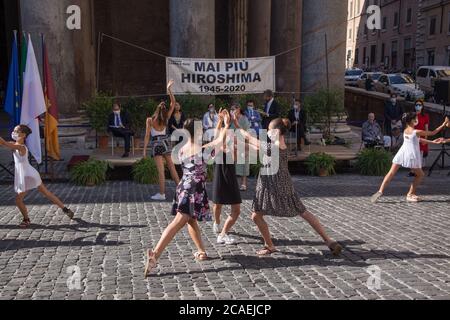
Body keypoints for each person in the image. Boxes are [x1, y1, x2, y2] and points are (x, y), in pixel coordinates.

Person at [237, 119, 343, 257]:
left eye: (269, 129)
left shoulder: (273, 147)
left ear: (276, 131)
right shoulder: (280, 144)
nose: (267, 132)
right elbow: (254, 145)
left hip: (273, 186)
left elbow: (250, 138)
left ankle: (270, 246)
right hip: (283, 184)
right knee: (303, 212)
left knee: (256, 216)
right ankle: (329, 241)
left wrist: (236, 126)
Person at [144, 112, 232, 278]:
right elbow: (219, 142)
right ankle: (155, 255)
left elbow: (214, 141)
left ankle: (201, 251)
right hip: (193, 189)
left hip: (183, 186)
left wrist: (220, 123)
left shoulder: (182, 148)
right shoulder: (203, 151)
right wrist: (226, 125)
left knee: (191, 220)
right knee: (177, 223)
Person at [0, 125, 75, 228]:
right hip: (30, 173)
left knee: (18, 200)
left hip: (27, 176)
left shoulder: (21, 147)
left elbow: (4, 143)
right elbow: (3, 143)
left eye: (16, 131)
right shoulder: (15, 144)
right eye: (14, 130)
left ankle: (26, 220)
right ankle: (65, 209)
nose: (13, 132)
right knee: (47, 193)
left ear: (23, 135)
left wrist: (3, 142)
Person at [371, 113, 449, 204]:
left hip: (402, 153)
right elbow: (433, 132)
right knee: (420, 175)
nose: (417, 120)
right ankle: (410, 194)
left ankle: (380, 191)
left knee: (391, 173)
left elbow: (418, 139)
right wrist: (443, 124)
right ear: (412, 120)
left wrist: (432, 142)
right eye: (416, 118)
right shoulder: (417, 131)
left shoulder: (405, 130)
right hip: (411, 156)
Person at [143, 80, 180, 201]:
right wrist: (169, 90)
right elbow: (173, 102)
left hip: (156, 144)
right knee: (172, 167)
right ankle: (182, 191)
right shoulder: (166, 118)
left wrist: (144, 150)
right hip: (166, 142)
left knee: (161, 171)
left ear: (156, 109)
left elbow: (147, 136)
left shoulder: (150, 120)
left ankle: (162, 194)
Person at [212, 106, 243, 246]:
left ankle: (223, 231)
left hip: (229, 172)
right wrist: (221, 122)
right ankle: (217, 223)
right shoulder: (219, 135)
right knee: (217, 203)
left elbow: (236, 156)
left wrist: (233, 148)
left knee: (235, 206)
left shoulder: (232, 136)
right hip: (220, 170)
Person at [230, 103, 251, 191]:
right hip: (233, 144)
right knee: (233, 165)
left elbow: (245, 132)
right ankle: (233, 184)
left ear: (238, 109)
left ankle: (243, 184)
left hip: (243, 143)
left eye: (234, 109)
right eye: (231, 109)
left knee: (244, 164)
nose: (233, 111)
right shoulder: (231, 119)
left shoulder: (244, 119)